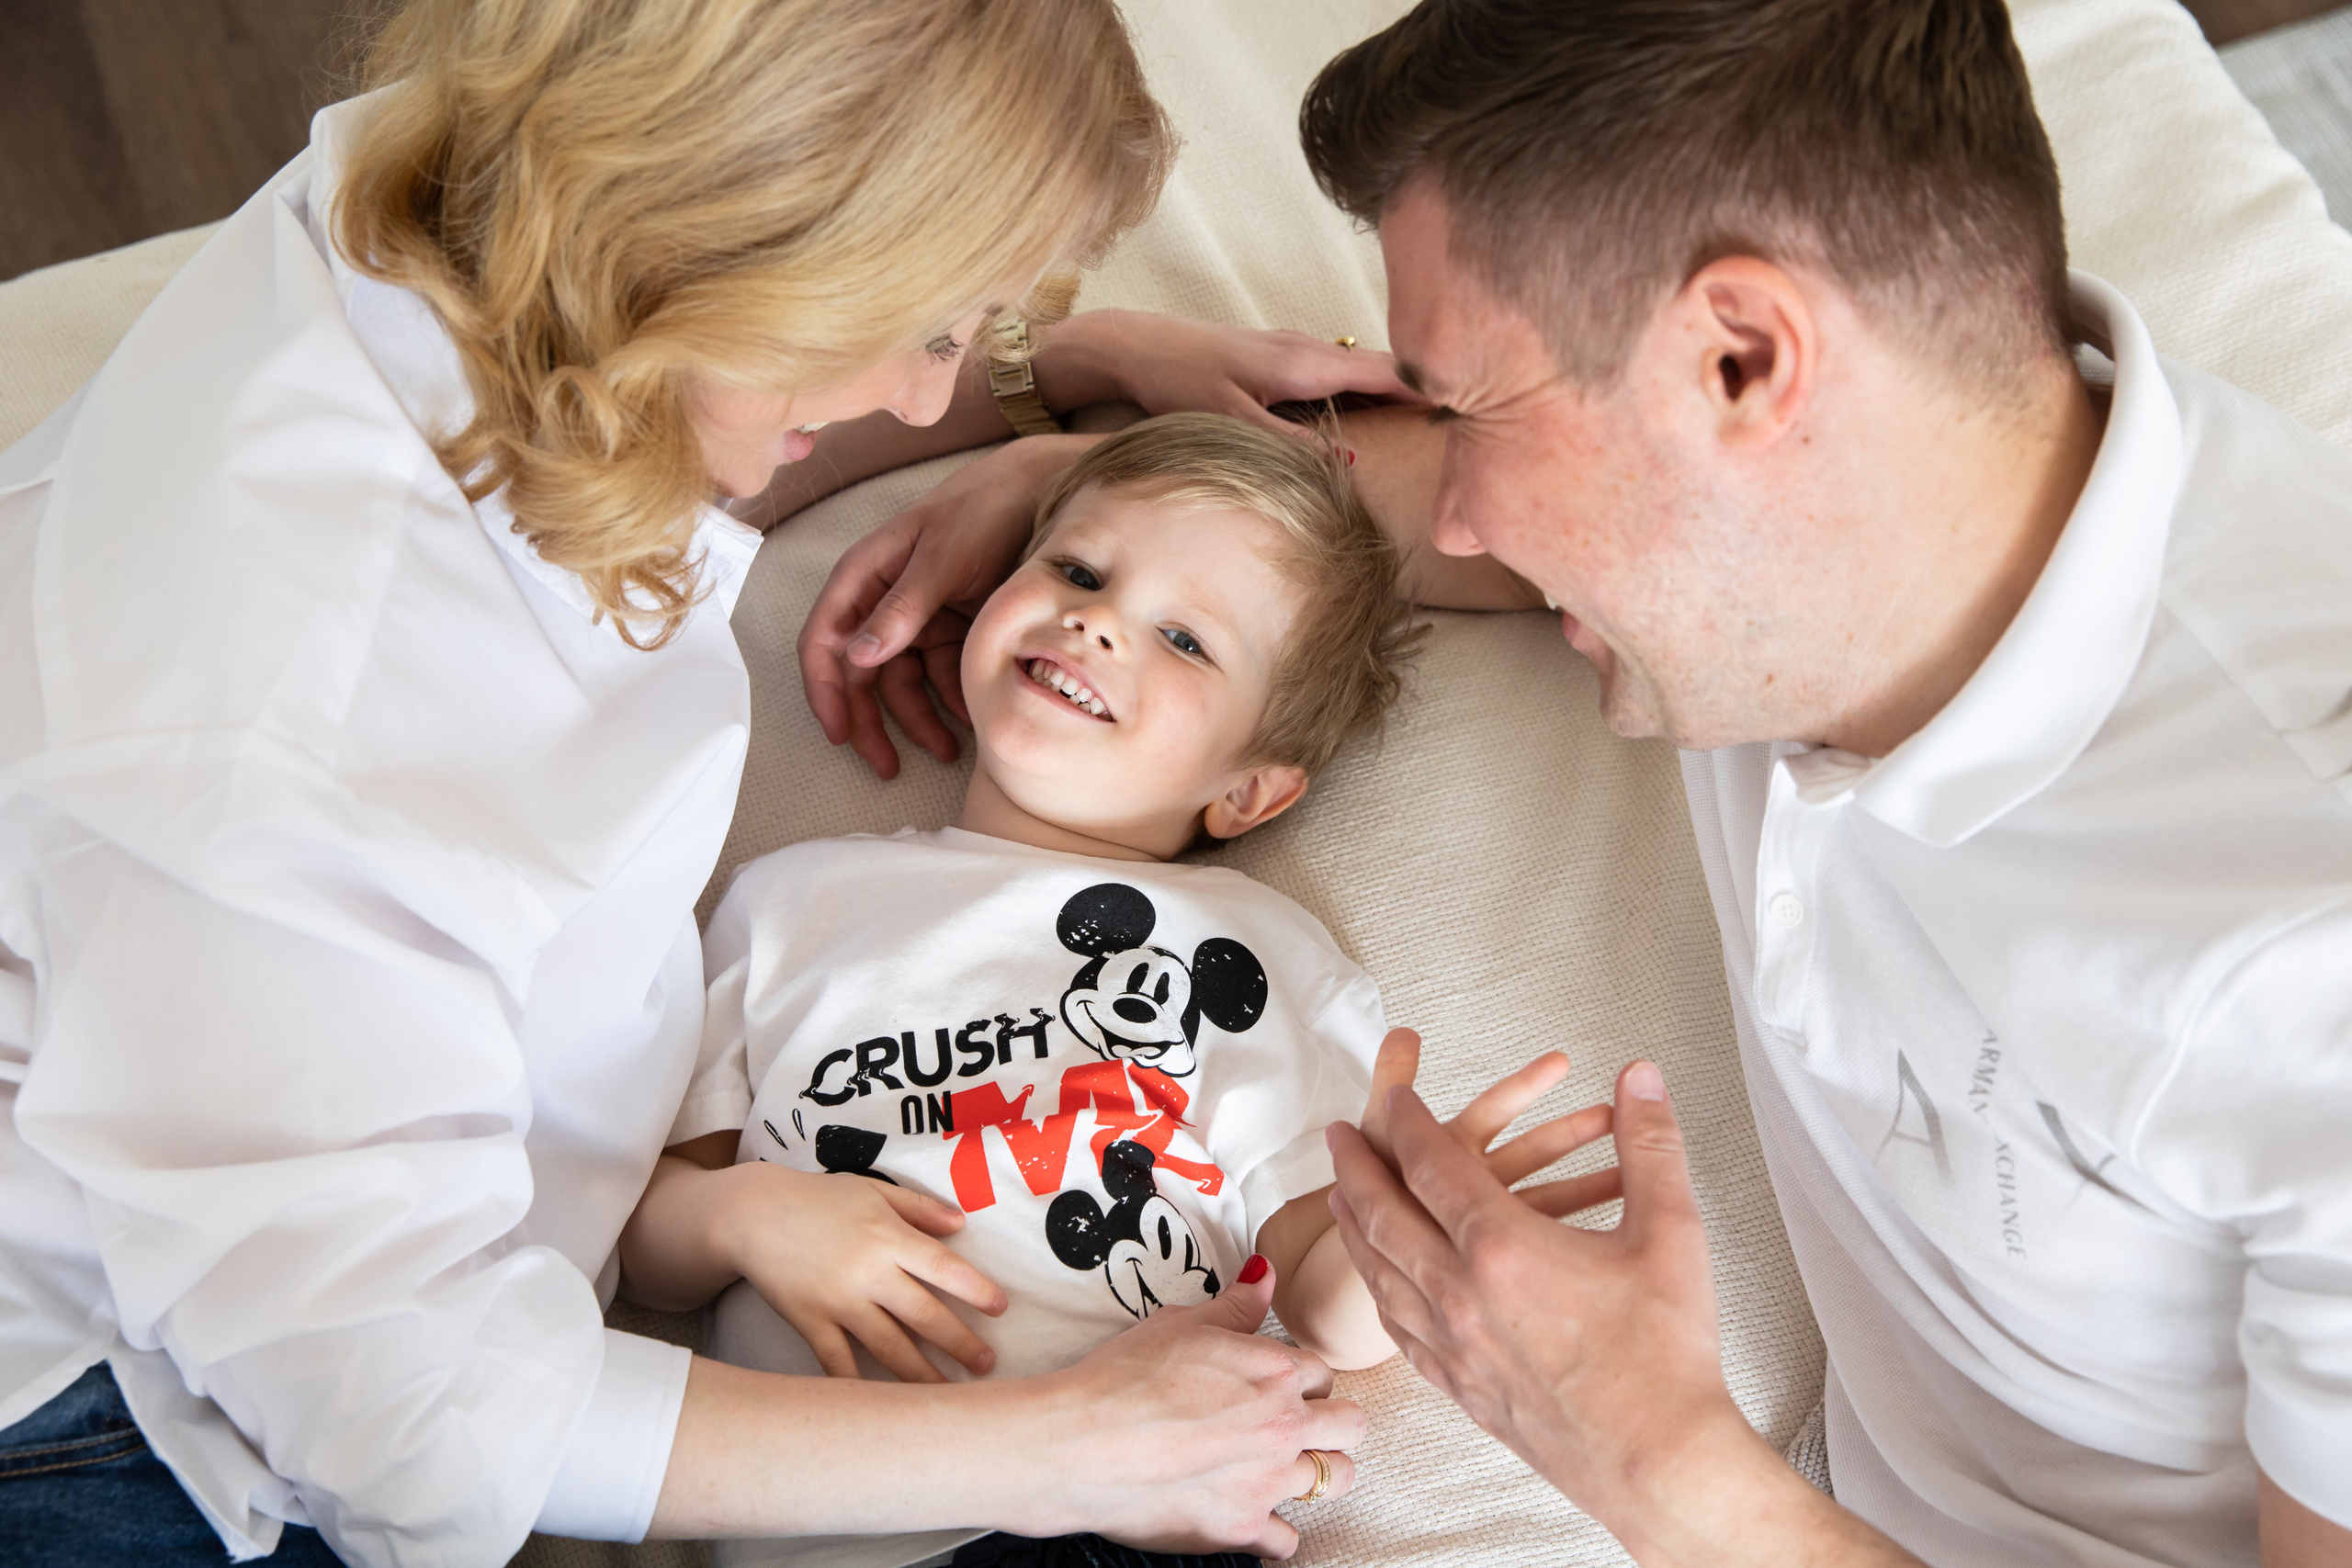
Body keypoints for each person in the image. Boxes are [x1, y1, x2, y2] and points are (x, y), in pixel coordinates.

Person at [800, 1, 2352, 1563]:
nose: (1456, 517)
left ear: (1742, 361)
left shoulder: (2302, 943)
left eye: (1470, 410)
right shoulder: (1853, 533)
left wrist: (1654, 1459)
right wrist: (1058, 461)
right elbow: (1326, 523)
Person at [0, 4, 1415, 1565]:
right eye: (923, 323)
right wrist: (1060, 1448)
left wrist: (1053, 383)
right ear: (749, 244)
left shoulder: (455, 218)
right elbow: (392, 1408)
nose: (926, 400)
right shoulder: (300, 693)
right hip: (121, 1432)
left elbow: (590, 416)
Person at [620, 414, 1615, 1568]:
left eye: (1186, 640)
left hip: (1132, 1525)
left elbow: (1323, 1303)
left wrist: (1419, 1245)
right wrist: (746, 1216)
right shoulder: (790, 902)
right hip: (830, 1515)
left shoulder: (1258, 956)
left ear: (1248, 792)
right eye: (1078, 570)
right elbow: (644, 1248)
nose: (1095, 619)